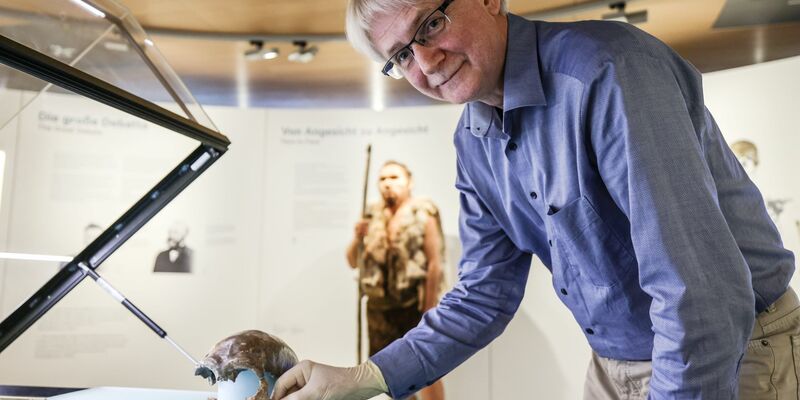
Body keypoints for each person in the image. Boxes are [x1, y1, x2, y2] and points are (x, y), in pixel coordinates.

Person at [272, 0, 797, 399]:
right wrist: (368, 376)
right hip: (613, 365)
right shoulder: (472, 139)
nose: (426, 61)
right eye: (401, 55)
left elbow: (698, 292)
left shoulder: (608, 72)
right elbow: (484, 292)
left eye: (430, 24)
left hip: (733, 350)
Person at [345, 160, 445, 400]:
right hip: (379, 311)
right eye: (382, 179)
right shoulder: (371, 215)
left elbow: (434, 263)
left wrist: (428, 309)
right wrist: (357, 237)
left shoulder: (423, 213)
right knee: (388, 374)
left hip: (412, 307)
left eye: (394, 177)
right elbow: (352, 261)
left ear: (409, 182)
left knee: (426, 369)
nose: (387, 184)